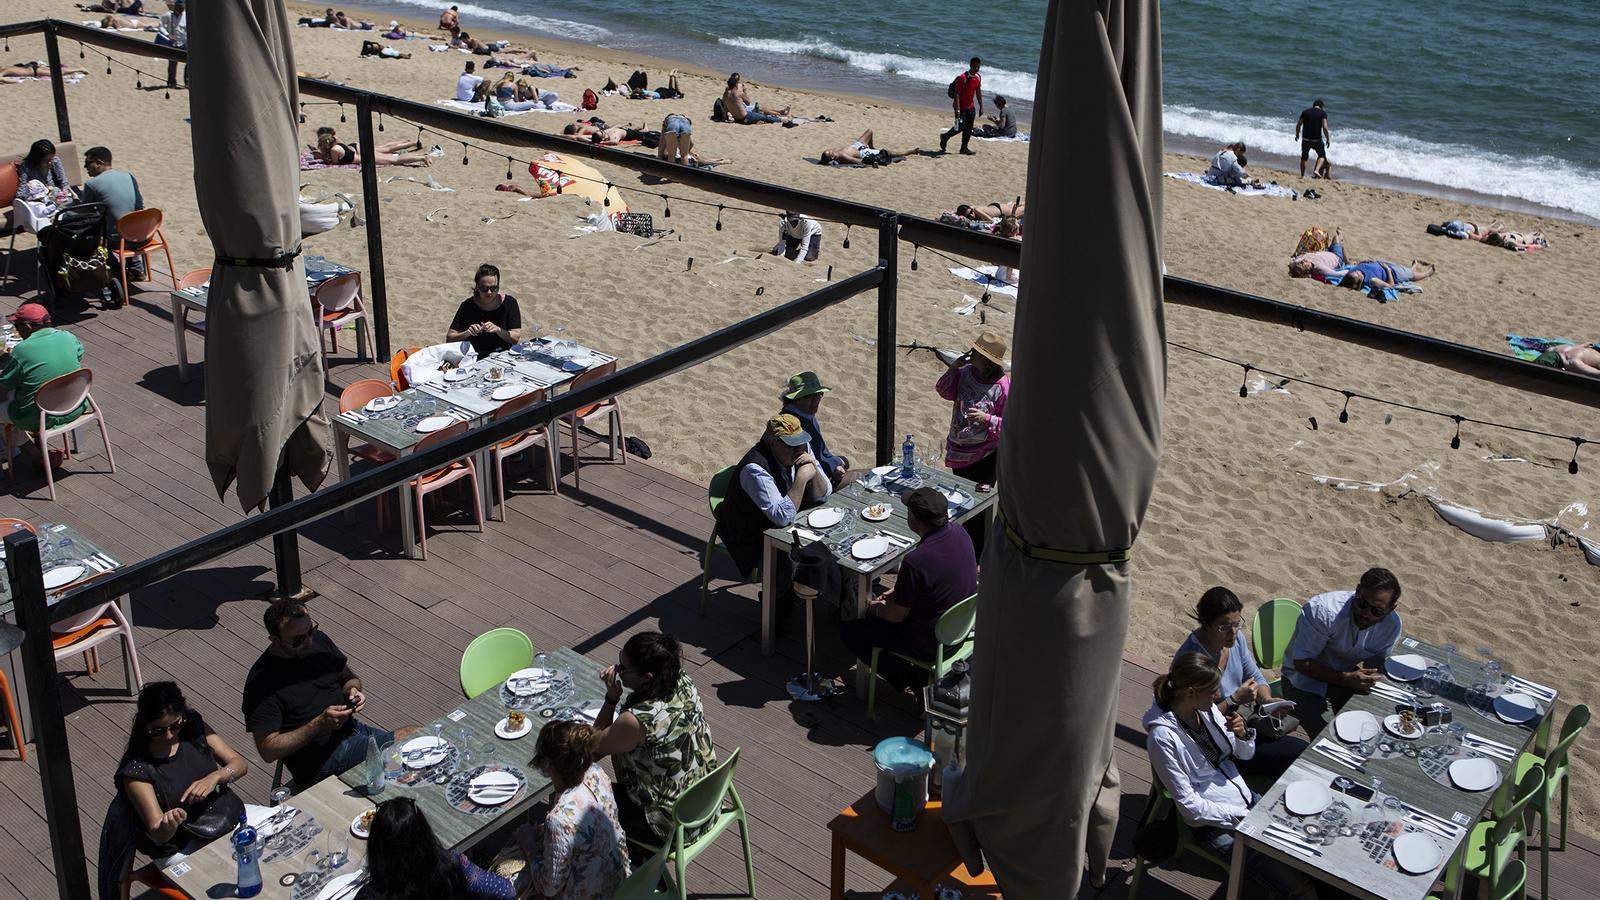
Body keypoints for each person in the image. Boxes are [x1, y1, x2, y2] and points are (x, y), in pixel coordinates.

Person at [1144, 653, 1316, 899]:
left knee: (1307, 855)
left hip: (1244, 801)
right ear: (1191, 692)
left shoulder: (1204, 710)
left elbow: (1244, 756)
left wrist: (1243, 734)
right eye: (1212, 691)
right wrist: (1243, 817)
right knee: (1300, 889)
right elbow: (1191, 810)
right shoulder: (1162, 738)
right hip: (1214, 825)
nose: (1218, 696)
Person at [242, 601, 397, 788]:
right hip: (320, 761)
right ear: (274, 639)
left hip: (352, 730)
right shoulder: (261, 684)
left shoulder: (318, 641)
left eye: (311, 631)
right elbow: (268, 750)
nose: (308, 641)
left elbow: (348, 678)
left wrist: (353, 691)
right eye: (298, 640)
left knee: (415, 749)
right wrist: (319, 724)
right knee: (409, 737)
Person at [840, 486, 977, 696]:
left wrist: (876, 609)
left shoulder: (916, 561)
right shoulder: (960, 532)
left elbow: (895, 616)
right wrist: (899, 590)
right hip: (960, 630)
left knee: (851, 631)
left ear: (914, 520)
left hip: (929, 643)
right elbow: (938, 578)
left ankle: (914, 680)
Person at [593, 632, 718, 852]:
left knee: (576, 800)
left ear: (647, 677)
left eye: (624, 668)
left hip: (673, 828)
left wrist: (611, 699)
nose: (618, 670)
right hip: (707, 804)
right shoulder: (682, 680)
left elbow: (592, 748)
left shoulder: (637, 720)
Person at [1174, 587, 1308, 778]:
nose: (1233, 632)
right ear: (1206, 623)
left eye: (1237, 624)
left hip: (1241, 727)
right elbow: (1193, 721)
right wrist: (1234, 699)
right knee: (1298, 757)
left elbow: (1255, 676)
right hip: (1215, 744)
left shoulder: (1235, 642)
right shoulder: (1192, 660)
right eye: (1224, 627)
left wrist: (1267, 700)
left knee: (1300, 755)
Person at [115, 682, 252, 865]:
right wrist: (169, 824)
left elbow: (240, 764)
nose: (169, 736)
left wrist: (216, 777)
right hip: (180, 844)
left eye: (175, 725)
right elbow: (159, 834)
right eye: (158, 731)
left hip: (222, 815)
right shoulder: (137, 769)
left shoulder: (193, 726)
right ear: (144, 724)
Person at [492, 721, 631, 897]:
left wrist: (529, 847)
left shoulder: (558, 819)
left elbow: (549, 887)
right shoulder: (596, 773)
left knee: (504, 875)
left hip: (592, 893)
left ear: (547, 763)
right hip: (620, 880)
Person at [1281, 567, 1404, 737]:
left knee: (1377, 727)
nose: (1366, 614)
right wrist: (1346, 679)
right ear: (1358, 591)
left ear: (1391, 608)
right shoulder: (1323, 611)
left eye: (1376, 611)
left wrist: (1362, 681)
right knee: (1329, 736)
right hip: (1302, 683)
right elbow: (1302, 663)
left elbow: (1375, 666)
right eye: (1362, 604)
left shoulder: (1391, 625)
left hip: (1347, 679)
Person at [712, 413, 832, 578]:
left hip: (780, 525)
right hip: (751, 538)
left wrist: (815, 472)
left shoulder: (801, 448)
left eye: (800, 442)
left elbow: (823, 495)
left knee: (829, 549)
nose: (798, 449)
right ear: (771, 443)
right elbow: (782, 517)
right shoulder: (755, 469)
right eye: (791, 444)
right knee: (803, 566)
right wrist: (802, 478)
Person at [358, 797, 515, 899]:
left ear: (375, 847)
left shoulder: (370, 895)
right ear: (424, 834)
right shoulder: (452, 867)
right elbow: (506, 891)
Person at [0, 303, 86, 470]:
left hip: (40, 415)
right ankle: (40, 448)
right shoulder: (68, 337)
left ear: (26, 327)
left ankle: (37, 456)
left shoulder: (22, 351)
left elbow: (5, 384)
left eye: (17, 326)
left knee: (5, 405)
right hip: (75, 406)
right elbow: (78, 355)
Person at [936, 331, 1008, 487]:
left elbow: (1011, 425)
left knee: (978, 500)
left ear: (987, 360)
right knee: (961, 495)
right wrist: (954, 367)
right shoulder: (966, 372)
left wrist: (986, 418)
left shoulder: (1002, 387)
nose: (971, 353)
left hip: (984, 456)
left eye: (976, 351)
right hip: (958, 450)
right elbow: (943, 390)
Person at [778, 371, 847, 486]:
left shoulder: (806, 415)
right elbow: (810, 460)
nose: (816, 400)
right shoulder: (793, 424)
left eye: (818, 395)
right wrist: (836, 465)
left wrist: (837, 463)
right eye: (808, 397)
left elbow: (822, 453)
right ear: (796, 399)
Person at [447, 263, 523, 357]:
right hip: (474, 354)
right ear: (477, 287)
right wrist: (467, 333)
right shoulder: (467, 306)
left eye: (494, 288)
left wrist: (498, 330)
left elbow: (515, 338)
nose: (489, 292)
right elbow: (450, 338)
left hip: (503, 353)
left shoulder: (509, 303)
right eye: (484, 288)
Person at [312, 128, 431, 167]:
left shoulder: (334, 150)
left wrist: (322, 157)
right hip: (358, 150)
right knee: (389, 151)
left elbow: (334, 163)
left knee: (395, 160)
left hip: (364, 158)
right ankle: (415, 149)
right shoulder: (337, 141)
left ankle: (421, 158)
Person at [940, 57, 983, 155]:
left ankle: (964, 148)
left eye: (978, 67)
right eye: (975, 67)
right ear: (970, 66)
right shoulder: (963, 78)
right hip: (960, 108)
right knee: (958, 127)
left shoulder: (978, 77)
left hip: (971, 108)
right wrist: (957, 110)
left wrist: (981, 106)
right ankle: (945, 136)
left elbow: (978, 92)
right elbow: (957, 94)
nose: (976, 69)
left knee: (968, 128)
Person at [722, 73, 793, 125]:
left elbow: (725, 108)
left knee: (760, 115)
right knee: (764, 117)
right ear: (735, 85)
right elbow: (748, 102)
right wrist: (744, 92)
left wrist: (725, 118)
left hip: (737, 119)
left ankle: (760, 121)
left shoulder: (725, 95)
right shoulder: (739, 93)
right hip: (746, 117)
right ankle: (782, 119)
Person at [818, 129, 919, 166]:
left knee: (869, 131)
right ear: (832, 158)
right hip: (862, 152)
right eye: (830, 153)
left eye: (828, 150)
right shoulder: (841, 156)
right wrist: (869, 160)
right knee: (888, 153)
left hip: (855, 146)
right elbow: (857, 161)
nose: (831, 150)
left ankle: (873, 147)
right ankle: (909, 152)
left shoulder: (833, 153)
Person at [1337, 259, 1435, 292]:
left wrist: (1364, 262)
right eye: (1358, 274)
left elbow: (1354, 265)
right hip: (1394, 273)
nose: (1358, 272)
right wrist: (1387, 270)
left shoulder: (1353, 272)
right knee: (1411, 275)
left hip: (1382, 263)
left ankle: (1413, 267)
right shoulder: (1372, 280)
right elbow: (1391, 285)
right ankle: (1427, 274)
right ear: (1360, 280)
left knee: (1406, 270)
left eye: (1356, 272)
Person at [1295, 99, 1329, 178]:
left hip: (1305, 139)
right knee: (1322, 156)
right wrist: (1328, 139)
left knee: (1304, 158)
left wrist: (1297, 134)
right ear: (1321, 107)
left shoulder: (1305, 112)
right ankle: (1316, 170)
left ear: (1313, 105)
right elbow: (1325, 127)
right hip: (1316, 140)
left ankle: (1302, 175)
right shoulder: (1323, 113)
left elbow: (1298, 125)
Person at [155, 0, 185, 88]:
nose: (181, 9)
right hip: (173, 44)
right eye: (180, 7)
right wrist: (168, 35)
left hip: (184, 43)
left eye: (183, 7)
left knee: (190, 62)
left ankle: (187, 82)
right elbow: (161, 26)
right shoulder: (168, 15)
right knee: (172, 64)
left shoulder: (186, 16)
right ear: (176, 6)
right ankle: (172, 82)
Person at [1, 61, 90, 80]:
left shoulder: (3, 72)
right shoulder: (3, 67)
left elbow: (3, 79)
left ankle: (80, 69)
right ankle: (78, 70)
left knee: (58, 73)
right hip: (32, 67)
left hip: (34, 72)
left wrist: (16, 82)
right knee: (58, 71)